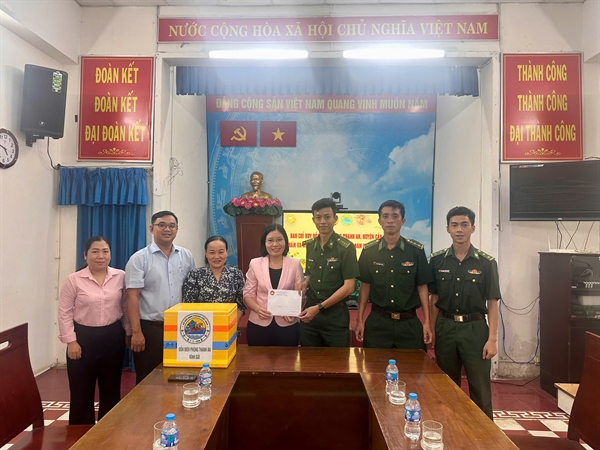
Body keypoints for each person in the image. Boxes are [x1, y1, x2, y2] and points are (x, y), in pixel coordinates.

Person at [429, 206, 500, 419]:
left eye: (464, 225)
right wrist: (432, 329)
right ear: (448, 229)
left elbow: (492, 302)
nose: (459, 229)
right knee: (446, 386)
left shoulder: (486, 263)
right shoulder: (437, 260)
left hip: (475, 329)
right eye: (454, 225)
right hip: (446, 327)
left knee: (480, 387)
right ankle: (449, 428)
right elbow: (434, 299)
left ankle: (484, 434)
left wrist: (492, 339)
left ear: (473, 228)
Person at [58, 236, 130, 425]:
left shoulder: (120, 276)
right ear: (85, 255)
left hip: (113, 337)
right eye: (95, 251)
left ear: (110, 255)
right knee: (81, 389)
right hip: (83, 338)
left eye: (105, 251)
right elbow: (64, 313)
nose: (100, 256)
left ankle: (109, 430)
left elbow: (125, 307)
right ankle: (81, 433)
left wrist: (128, 332)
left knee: (111, 387)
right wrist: (71, 341)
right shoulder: (73, 280)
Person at [126, 211, 196, 385]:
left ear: (177, 229)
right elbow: (132, 297)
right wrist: (136, 332)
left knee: (180, 377)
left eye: (172, 226)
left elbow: (192, 290)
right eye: (161, 225)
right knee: (148, 380)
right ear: (152, 228)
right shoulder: (139, 259)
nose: (167, 229)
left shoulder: (186, 256)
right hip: (151, 329)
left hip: (181, 328)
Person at [355, 200, 433, 349]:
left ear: (403, 221)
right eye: (385, 216)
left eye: (395, 216)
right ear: (379, 221)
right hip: (378, 323)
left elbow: (422, 287)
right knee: (373, 364)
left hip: (409, 324)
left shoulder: (416, 251)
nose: (390, 220)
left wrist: (427, 322)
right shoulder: (369, 251)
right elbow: (365, 286)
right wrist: (359, 319)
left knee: (413, 364)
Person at [298, 198, 359, 347]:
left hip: (335, 318)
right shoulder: (310, 246)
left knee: (337, 360)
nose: (323, 222)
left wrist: (319, 307)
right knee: (309, 359)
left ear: (335, 219)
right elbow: (310, 273)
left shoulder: (346, 248)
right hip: (310, 316)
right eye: (318, 217)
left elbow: (349, 287)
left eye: (327, 217)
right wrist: (305, 283)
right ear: (313, 220)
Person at [243, 224, 304, 346]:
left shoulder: (295, 264)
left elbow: (300, 293)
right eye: (270, 240)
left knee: (287, 358)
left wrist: (292, 311)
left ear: (285, 241)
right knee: (257, 358)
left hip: (287, 325)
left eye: (279, 239)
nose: (275, 244)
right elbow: (248, 294)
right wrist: (258, 309)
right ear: (264, 243)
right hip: (259, 323)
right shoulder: (255, 264)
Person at [182, 236, 246, 323]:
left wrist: (232, 325)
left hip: (229, 325)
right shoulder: (194, 275)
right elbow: (188, 305)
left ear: (227, 252)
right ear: (206, 253)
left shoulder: (236, 274)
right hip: (202, 327)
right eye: (212, 252)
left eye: (221, 252)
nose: (216, 256)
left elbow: (241, 305)